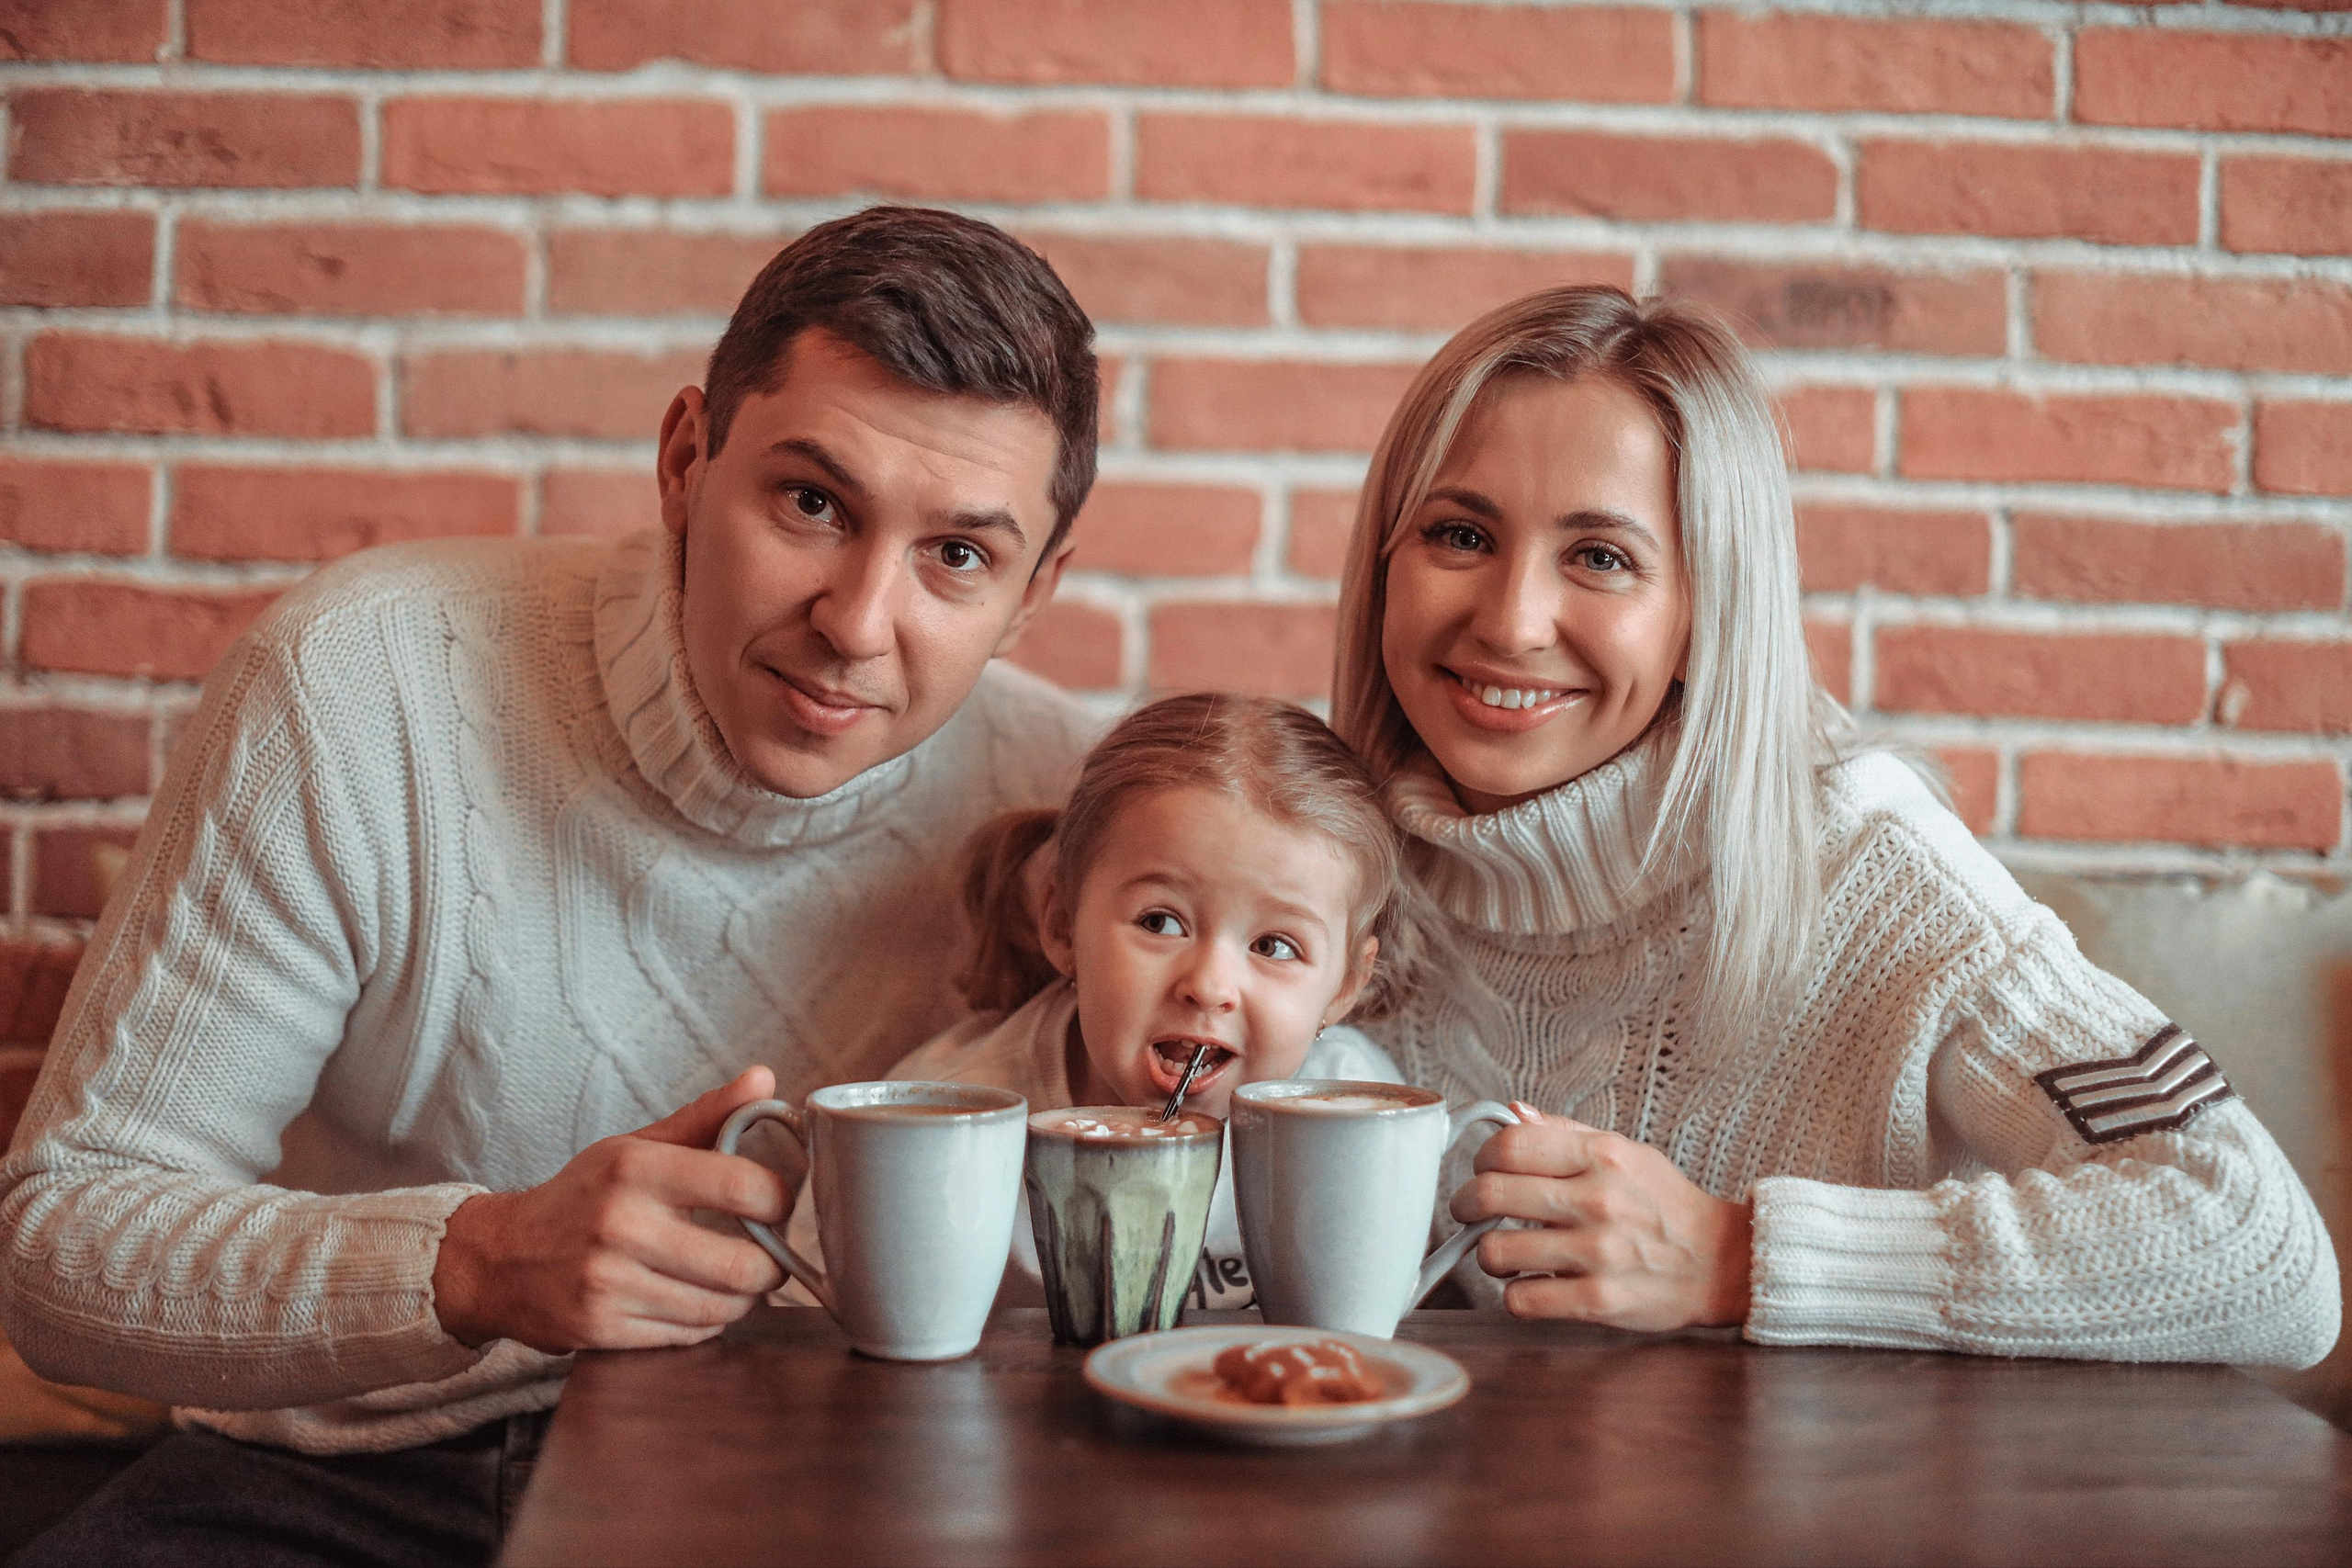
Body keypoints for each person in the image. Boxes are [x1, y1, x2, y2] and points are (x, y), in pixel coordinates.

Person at [1, 206, 1103, 1565]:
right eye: (812, 502)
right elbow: (61, 1242)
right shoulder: (356, 683)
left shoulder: (1071, 804)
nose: (859, 622)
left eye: (959, 556)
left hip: (831, 1479)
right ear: (686, 458)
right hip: (353, 1473)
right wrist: (474, 1260)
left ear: (1036, 589)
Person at [1330, 284, 2338, 1366]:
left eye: (1601, 557)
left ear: (1704, 613)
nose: (1512, 620)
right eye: (1459, 533)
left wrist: (1732, 1253)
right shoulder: (1331, 865)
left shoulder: (1873, 864)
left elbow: (2261, 1248)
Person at [782, 692, 1404, 1314]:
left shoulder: (1362, 1115)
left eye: (1274, 944)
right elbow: (811, 1316)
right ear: (1061, 924)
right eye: (1160, 922)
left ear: (1346, 984)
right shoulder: (944, 1113)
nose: (1210, 985)